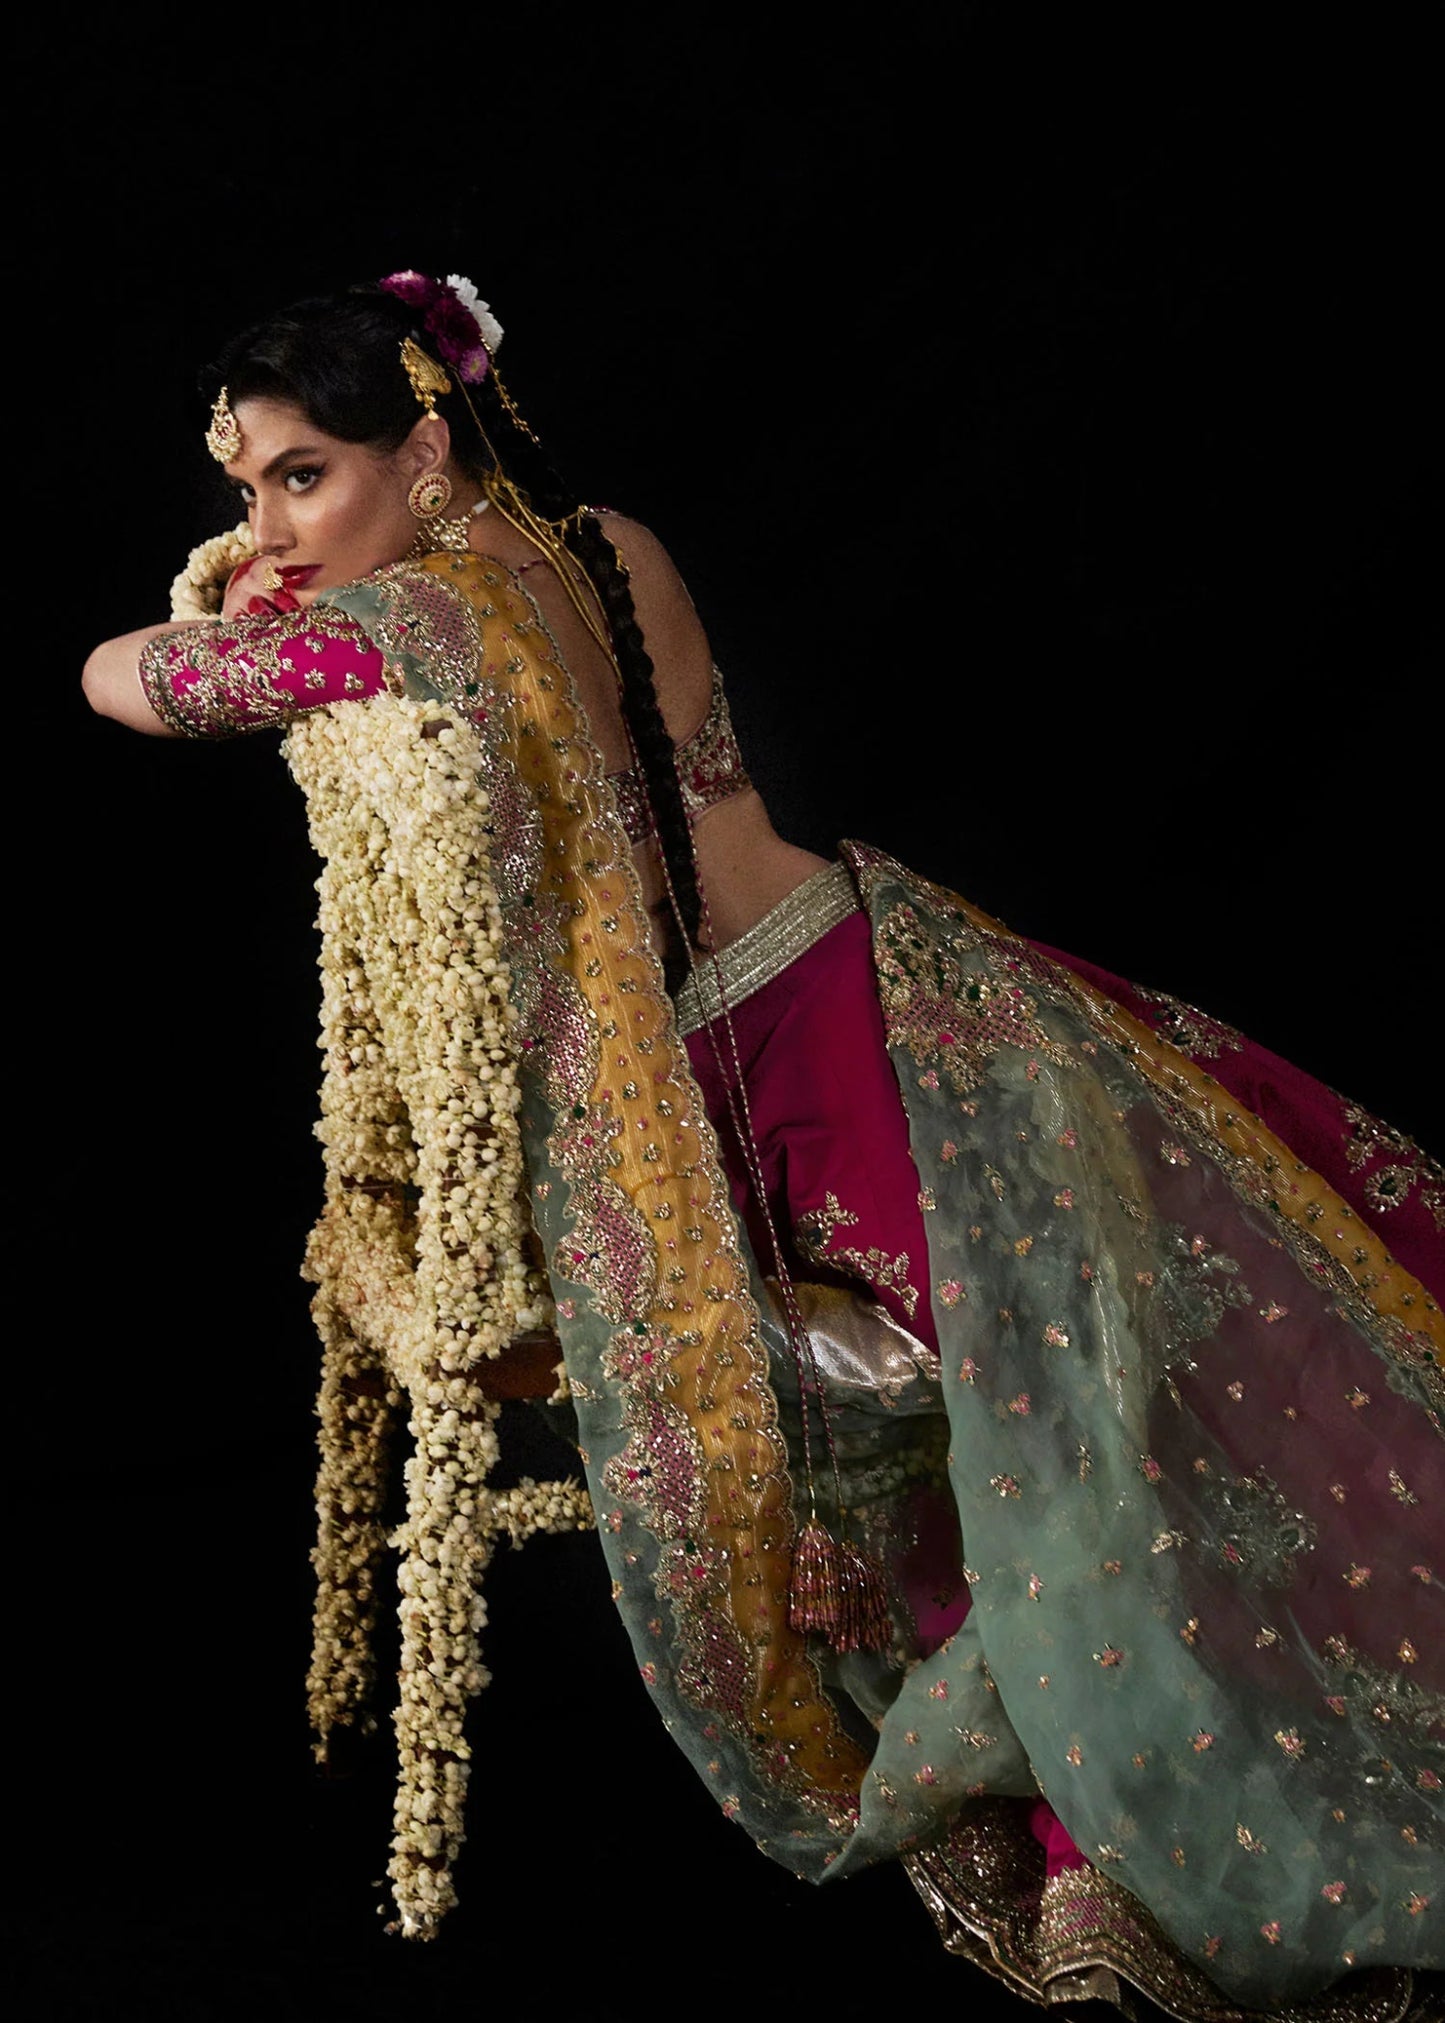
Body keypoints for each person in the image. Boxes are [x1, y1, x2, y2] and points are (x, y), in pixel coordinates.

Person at [82, 271, 1442, 2018]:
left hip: (761, 1060)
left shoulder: (423, 627)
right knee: (1093, 1370)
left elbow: (131, 682)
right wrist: (274, 554)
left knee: (1018, 1420)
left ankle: (1112, 1821)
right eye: (244, 488)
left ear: (425, 449)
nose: (264, 524)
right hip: (869, 952)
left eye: (297, 478)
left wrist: (199, 604)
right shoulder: (604, 541)